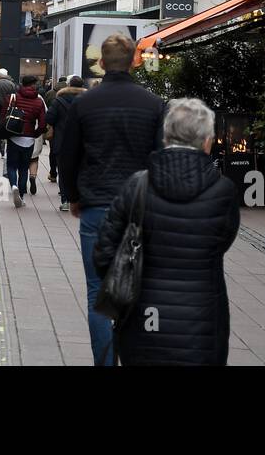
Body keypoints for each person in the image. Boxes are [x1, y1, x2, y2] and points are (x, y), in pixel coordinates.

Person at [94, 98, 240, 365]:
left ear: (166, 135)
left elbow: (104, 252)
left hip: (143, 316)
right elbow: (222, 242)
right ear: (207, 141)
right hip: (202, 319)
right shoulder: (223, 191)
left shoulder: (137, 185)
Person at [59, 33, 165, 366]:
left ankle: (104, 362)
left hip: (97, 206)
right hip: (141, 208)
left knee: (97, 292)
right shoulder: (153, 104)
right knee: (142, 289)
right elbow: (160, 156)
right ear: (135, 59)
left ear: (101, 63)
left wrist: (73, 196)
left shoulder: (84, 104)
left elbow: (67, 154)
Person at [2, 74, 46, 207]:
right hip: (29, 139)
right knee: (23, 168)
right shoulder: (39, 102)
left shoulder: (12, 97)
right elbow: (43, 124)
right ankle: (21, 195)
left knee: (11, 166)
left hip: (13, 136)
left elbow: (3, 115)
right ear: (34, 84)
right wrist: (35, 133)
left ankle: (13, 186)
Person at [46, 75, 86, 210]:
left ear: (68, 85)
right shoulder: (88, 100)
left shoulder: (59, 100)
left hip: (62, 141)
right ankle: (79, 198)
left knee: (63, 172)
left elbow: (49, 118)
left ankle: (65, 200)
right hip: (83, 142)